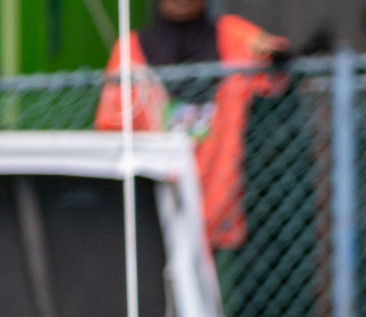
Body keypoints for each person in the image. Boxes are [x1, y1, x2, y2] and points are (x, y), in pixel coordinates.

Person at [95, 0, 289, 250]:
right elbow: (110, 126)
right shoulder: (131, 49)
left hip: (217, 194)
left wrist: (274, 53)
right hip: (153, 194)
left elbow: (271, 58)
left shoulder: (230, 34)